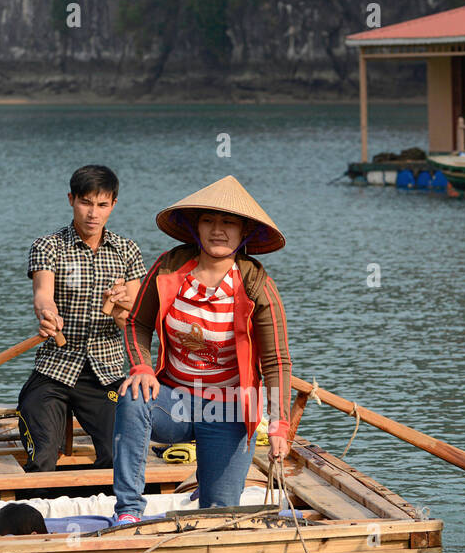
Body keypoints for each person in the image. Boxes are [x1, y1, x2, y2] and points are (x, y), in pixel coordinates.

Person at [113, 175, 292, 522]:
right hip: (174, 402)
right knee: (133, 396)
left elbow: (277, 362)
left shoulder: (257, 284)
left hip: (231, 411)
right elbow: (137, 323)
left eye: (229, 222)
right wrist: (142, 367)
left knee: (219, 516)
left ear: (244, 234)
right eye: (209, 220)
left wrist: (280, 426)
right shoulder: (168, 266)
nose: (218, 230)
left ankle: (211, 491)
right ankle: (129, 512)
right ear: (196, 227)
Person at [20, 164, 146, 472]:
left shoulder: (127, 251)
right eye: (85, 202)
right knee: (42, 458)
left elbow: (133, 321)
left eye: (102, 205)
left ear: (113, 205)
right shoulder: (48, 245)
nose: (93, 213)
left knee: (120, 458)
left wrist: (120, 310)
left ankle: (111, 516)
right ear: (71, 199)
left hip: (107, 373)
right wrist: (47, 313)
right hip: (55, 367)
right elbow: (43, 294)